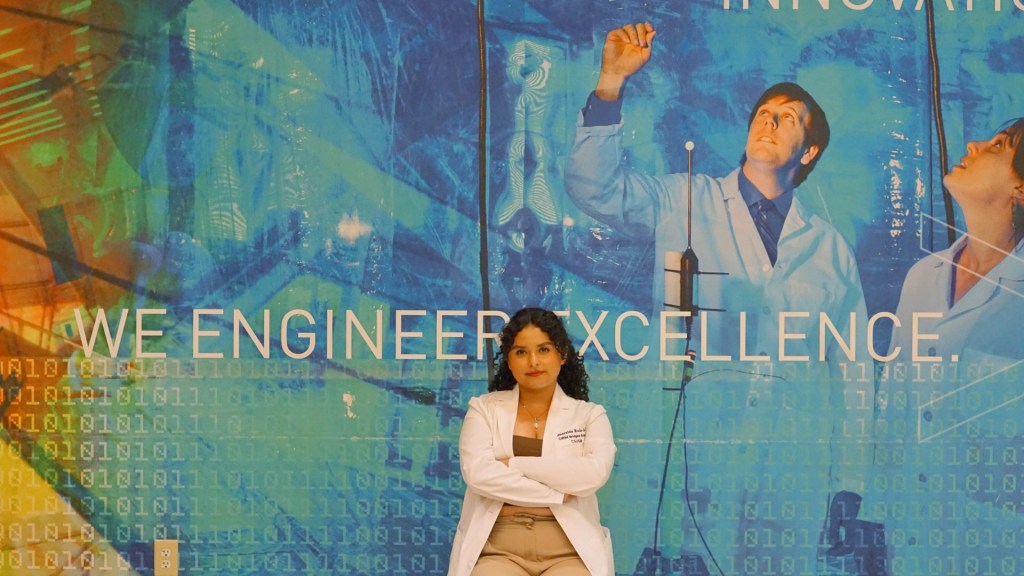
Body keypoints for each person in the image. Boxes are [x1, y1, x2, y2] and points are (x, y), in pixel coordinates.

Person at [565, 22, 872, 574]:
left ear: (810, 150)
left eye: (788, 118)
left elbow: (853, 373)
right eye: (763, 112)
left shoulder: (830, 251)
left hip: (786, 477)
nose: (769, 120)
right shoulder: (685, 201)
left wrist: (849, 483)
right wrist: (611, 81)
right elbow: (596, 189)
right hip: (687, 463)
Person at [869, 119, 1024, 575]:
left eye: (998, 146)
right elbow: (893, 412)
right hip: (909, 546)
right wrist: (875, 526)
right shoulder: (924, 277)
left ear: (1021, 189)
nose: (974, 144)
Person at [448, 308, 616, 576]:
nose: (533, 361)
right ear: (509, 361)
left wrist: (513, 464)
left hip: (570, 551)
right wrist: (559, 494)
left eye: (544, 350)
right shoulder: (483, 409)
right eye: (521, 352)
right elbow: (478, 474)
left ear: (562, 355)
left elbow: (593, 474)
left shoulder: (590, 415)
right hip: (498, 551)